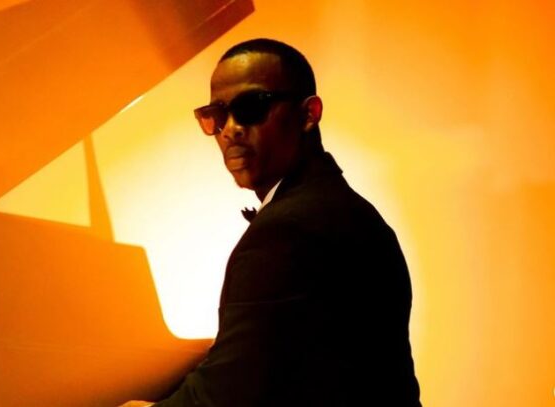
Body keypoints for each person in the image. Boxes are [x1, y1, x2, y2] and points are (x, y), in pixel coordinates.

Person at [123, 38, 422, 406]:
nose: (230, 129)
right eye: (217, 115)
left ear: (308, 114)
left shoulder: (288, 230)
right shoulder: (343, 209)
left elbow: (224, 395)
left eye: (251, 107)